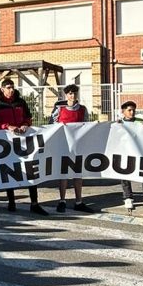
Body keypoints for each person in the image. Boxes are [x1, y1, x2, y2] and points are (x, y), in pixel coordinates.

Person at [0, 79, 47, 215]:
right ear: (2, 89)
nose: (11, 90)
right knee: (10, 170)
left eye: (12, 87)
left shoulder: (21, 102)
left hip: (24, 141)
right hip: (7, 142)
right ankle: (11, 202)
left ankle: (34, 203)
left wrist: (25, 124)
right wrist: (6, 126)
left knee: (31, 169)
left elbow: (29, 117)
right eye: (8, 87)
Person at [50, 85, 92, 213]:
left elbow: (86, 126)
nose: (72, 95)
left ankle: (78, 201)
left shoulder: (83, 109)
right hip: (63, 145)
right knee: (63, 175)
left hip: (78, 145)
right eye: (69, 93)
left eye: (74, 93)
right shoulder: (59, 109)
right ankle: (62, 200)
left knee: (78, 174)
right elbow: (51, 126)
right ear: (65, 95)